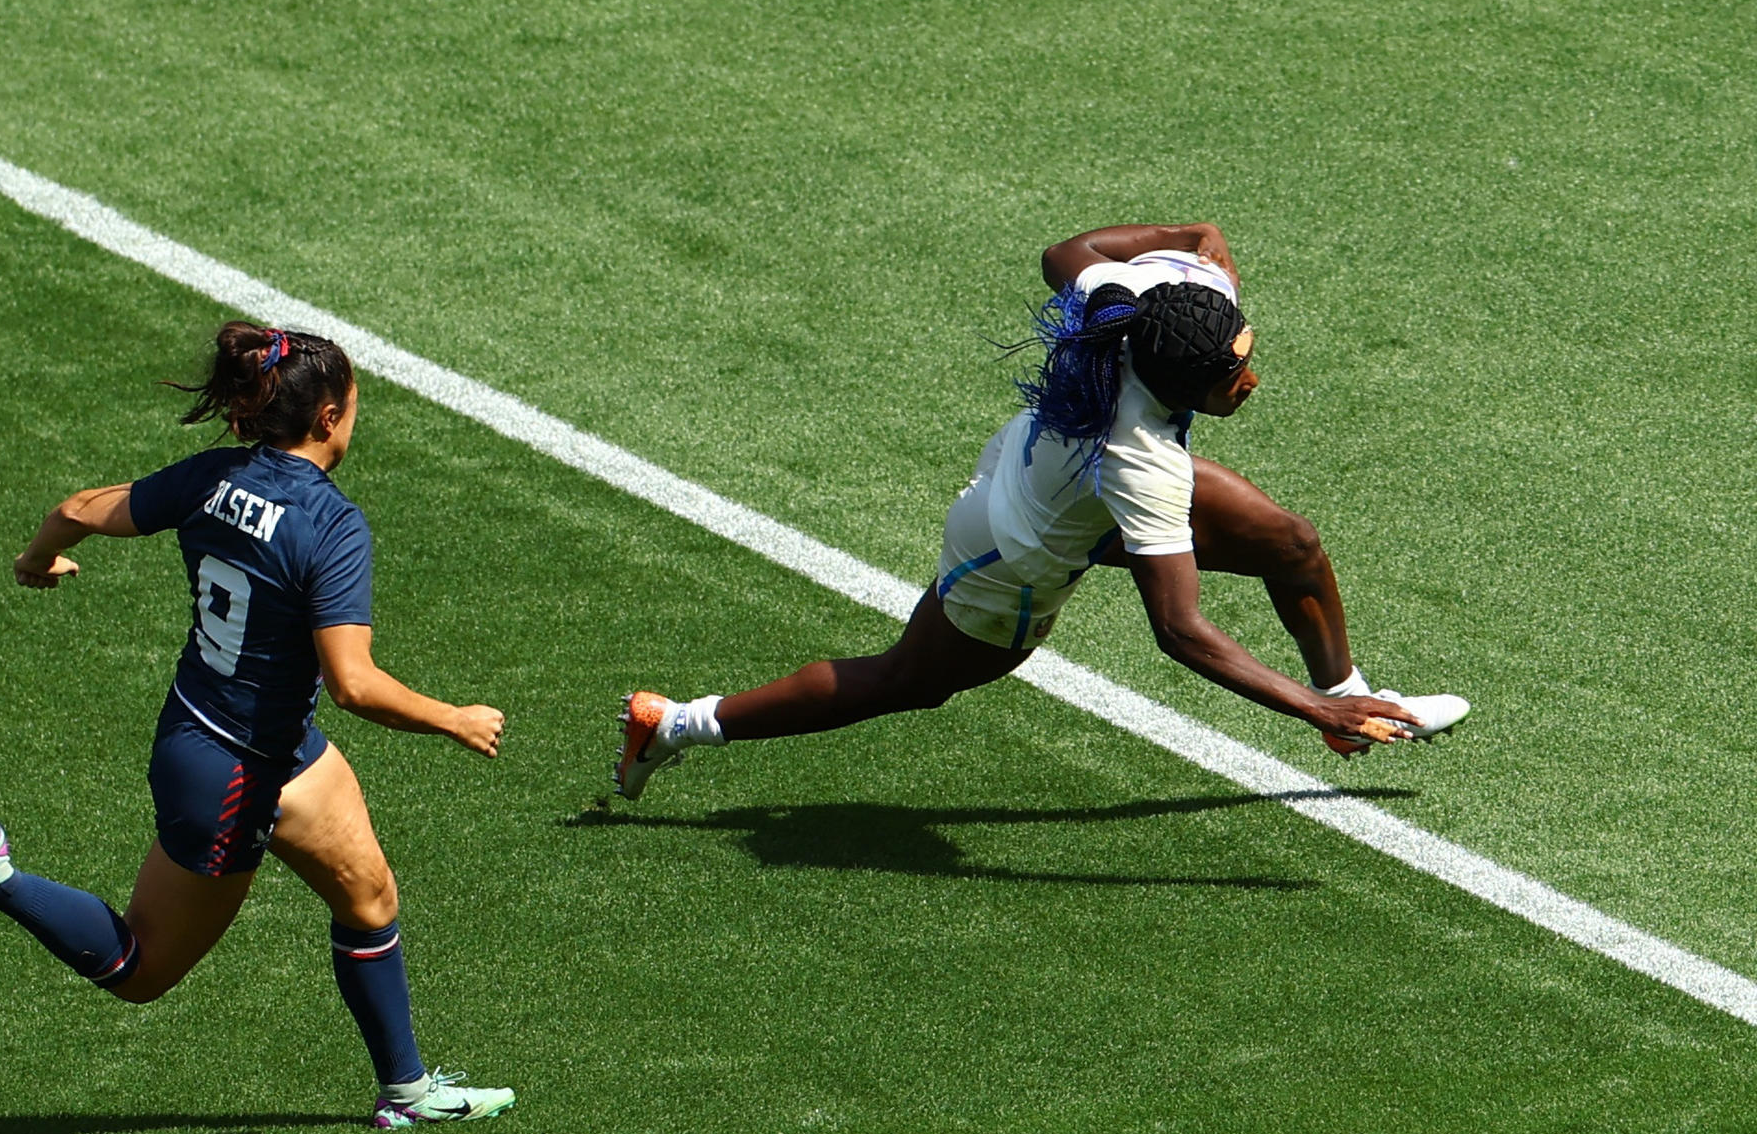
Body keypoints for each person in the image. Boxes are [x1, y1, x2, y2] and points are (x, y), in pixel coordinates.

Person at [0, 323, 515, 1129]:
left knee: (369, 895)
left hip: (241, 737)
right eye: (354, 405)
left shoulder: (214, 478)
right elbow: (354, 684)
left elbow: (77, 507)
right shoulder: (332, 526)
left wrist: (37, 559)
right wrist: (452, 718)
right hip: (233, 777)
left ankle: (408, 1092)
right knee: (142, 967)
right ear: (325, 418)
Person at [614, 222, 1469, 799]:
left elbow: (1095, 247)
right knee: (909, 681)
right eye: (1233, 377)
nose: (1252, 379)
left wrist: (1174, 258)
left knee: (1291, 542)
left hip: (1057, 467)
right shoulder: (1145, 461)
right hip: (1016, 547)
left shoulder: (1155, 301)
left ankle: (1355, 703)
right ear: (1180, 388)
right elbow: (1178, 630)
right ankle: (677, 724)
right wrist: (1300, 709)